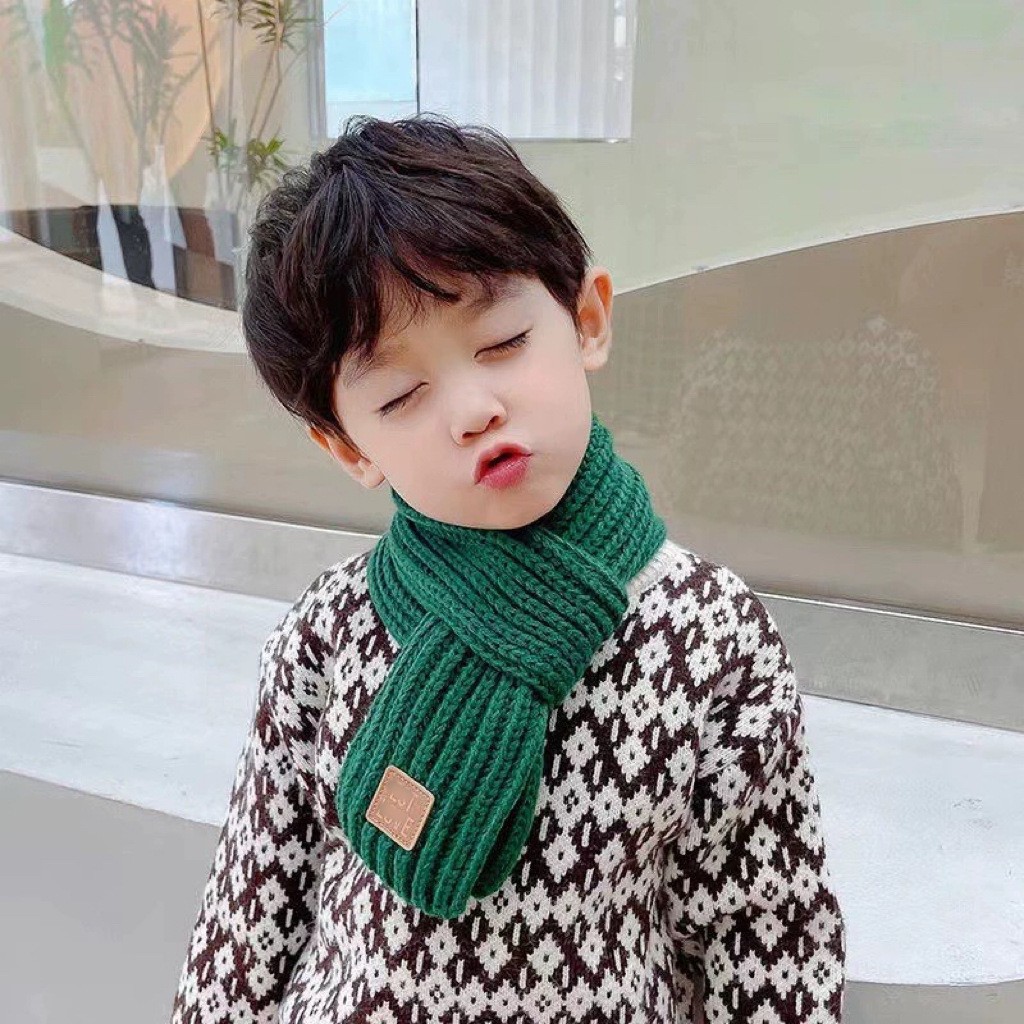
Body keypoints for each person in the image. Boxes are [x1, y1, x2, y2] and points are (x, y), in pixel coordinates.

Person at [170, 113, 847, 1023]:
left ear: (587, 320)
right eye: (401, 395)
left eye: (500, 344)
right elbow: (249, 912)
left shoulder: (710, 635)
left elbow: (767, 933)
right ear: (348, 448)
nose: (472, 410)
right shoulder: (328, 631)